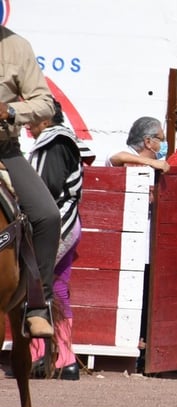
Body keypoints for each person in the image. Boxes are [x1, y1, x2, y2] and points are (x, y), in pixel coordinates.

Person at [0, 26, 60, 338]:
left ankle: (37, 305)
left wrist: (10, 109)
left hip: (3, 149)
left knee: (47, 215)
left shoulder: (16, 46)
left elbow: (45, 103)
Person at [26, 99, 89, 380]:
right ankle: (65, 359)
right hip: (67, 222)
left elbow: (45, 189)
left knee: (34, 285)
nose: (27, 123)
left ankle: (39, 356)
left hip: (54, 225)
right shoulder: (61, 140)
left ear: (45, 119)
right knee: (57, 288)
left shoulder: (54, 142)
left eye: (32, 117)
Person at [107, 116, 170, 373]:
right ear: (148, 141)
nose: (163, 145)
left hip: (143, 245)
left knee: (143, 297)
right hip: (119, 246)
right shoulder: (130, 155)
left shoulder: (155, 163)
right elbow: (116, 158)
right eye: (161, 140)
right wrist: (151, 163)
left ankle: (142, 352)